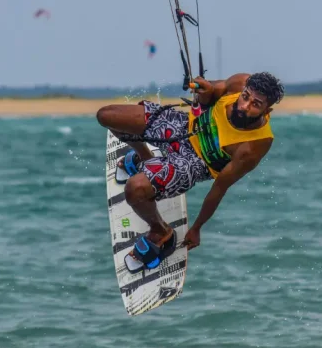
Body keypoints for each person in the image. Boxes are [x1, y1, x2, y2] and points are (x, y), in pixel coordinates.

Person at [97, 71, 284, 273]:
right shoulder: (239, 83)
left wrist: (197, 228)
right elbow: (212, 91)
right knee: (106, 116)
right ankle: (146, 158)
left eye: (256, 104)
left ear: (268, 109)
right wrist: (204, 88)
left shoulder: (255, 145)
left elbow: (219, 188)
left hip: (194, 162)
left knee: (135, 189)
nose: (244, 105)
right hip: (183, 126)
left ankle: (161, 232)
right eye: (246, 96)